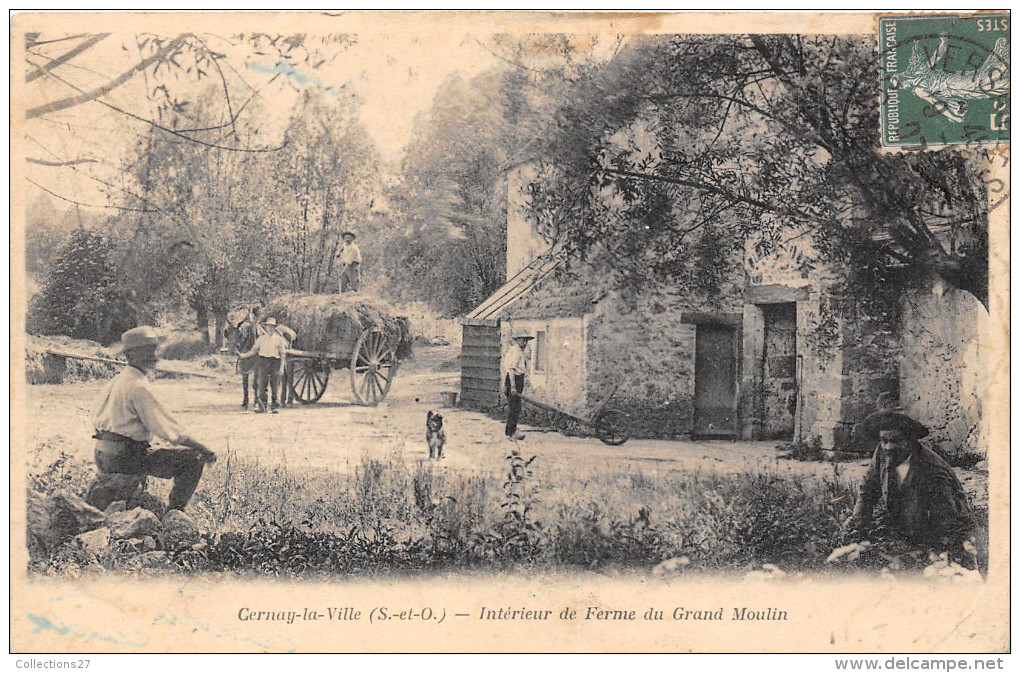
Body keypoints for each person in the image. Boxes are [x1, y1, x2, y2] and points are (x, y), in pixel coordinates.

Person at [90, 326, 217, 512]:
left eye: (154, 350)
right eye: (147, 352)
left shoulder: (118, 380)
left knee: (149, 451)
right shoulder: (138, 385)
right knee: (193, 459)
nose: (154, 356)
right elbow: (171, 432)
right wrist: (205, 449)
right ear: (131, 355)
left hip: (102, 455)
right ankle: (175, 513)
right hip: (125, 458)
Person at [843, 400, 975, 553]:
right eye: (884, 440)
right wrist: (857, 524)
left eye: (896, 440)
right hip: (906, 525)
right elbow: (868, 489)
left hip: (945, 534)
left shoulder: (933, 471)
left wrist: (919, 552)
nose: (888, 447)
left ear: (910, 440)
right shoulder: (882, 453)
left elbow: (945, 520)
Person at [238, 317, 289, 413]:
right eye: (268, 326)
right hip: (263, 362)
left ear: (274, 328)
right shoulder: (261, 339)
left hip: (275, 362)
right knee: (262, 385)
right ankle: (262, 407)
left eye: (272, 327)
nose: (269, 328)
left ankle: (274, 406)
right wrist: (244, 355)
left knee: (274, 385)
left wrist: (282, 367)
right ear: (265, 327)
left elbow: (282, 354)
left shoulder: (279, 339)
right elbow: (253, 350)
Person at [502, 330, 533, 441]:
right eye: (523, 340)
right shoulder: (515, 351)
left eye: (526, 341)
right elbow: (511, 370)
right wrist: (513, 387)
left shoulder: (520, 351)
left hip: (518, 379)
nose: (525, 343)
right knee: (514, 407)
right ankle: (511, 433)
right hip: (513, 379)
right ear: (517, 340)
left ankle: (511, 430)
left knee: (516, 407)